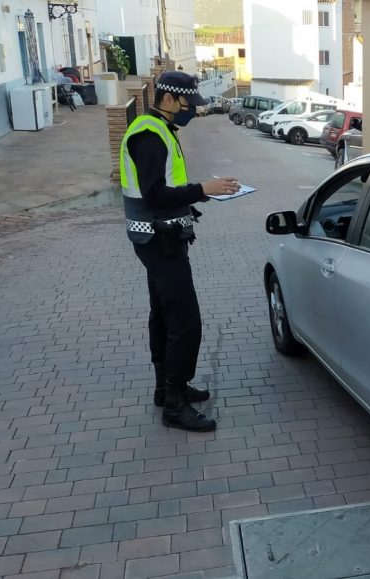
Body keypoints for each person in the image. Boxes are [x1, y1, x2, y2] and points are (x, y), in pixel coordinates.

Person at [118, 71, 240, 432]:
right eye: (188, 104)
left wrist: (197, 192)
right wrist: (202, 189)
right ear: (170, 99)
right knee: (185, 323)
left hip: (159, 238)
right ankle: (175, 404)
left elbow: (164, 186)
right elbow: (154, 194)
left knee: (164, 316)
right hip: (158, 241)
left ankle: (166, 388)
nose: (192, 112)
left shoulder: (156, 129)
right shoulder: (149, 136)